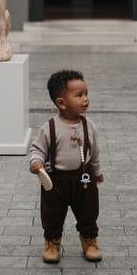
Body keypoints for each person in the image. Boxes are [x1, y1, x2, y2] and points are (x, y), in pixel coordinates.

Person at [29, 69, 104, 264]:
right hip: (55, 180)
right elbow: (37, 149)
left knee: (88, 209)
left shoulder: (89, 126)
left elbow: (93, 152)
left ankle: (89, 239)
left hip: (84, 178)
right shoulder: (49, 128)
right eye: (79, 95)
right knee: (52, 213)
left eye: (86, 93)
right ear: (61, 103)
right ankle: (52, 241)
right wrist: (36, 163)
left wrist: (96, 171)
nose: (85, 99)